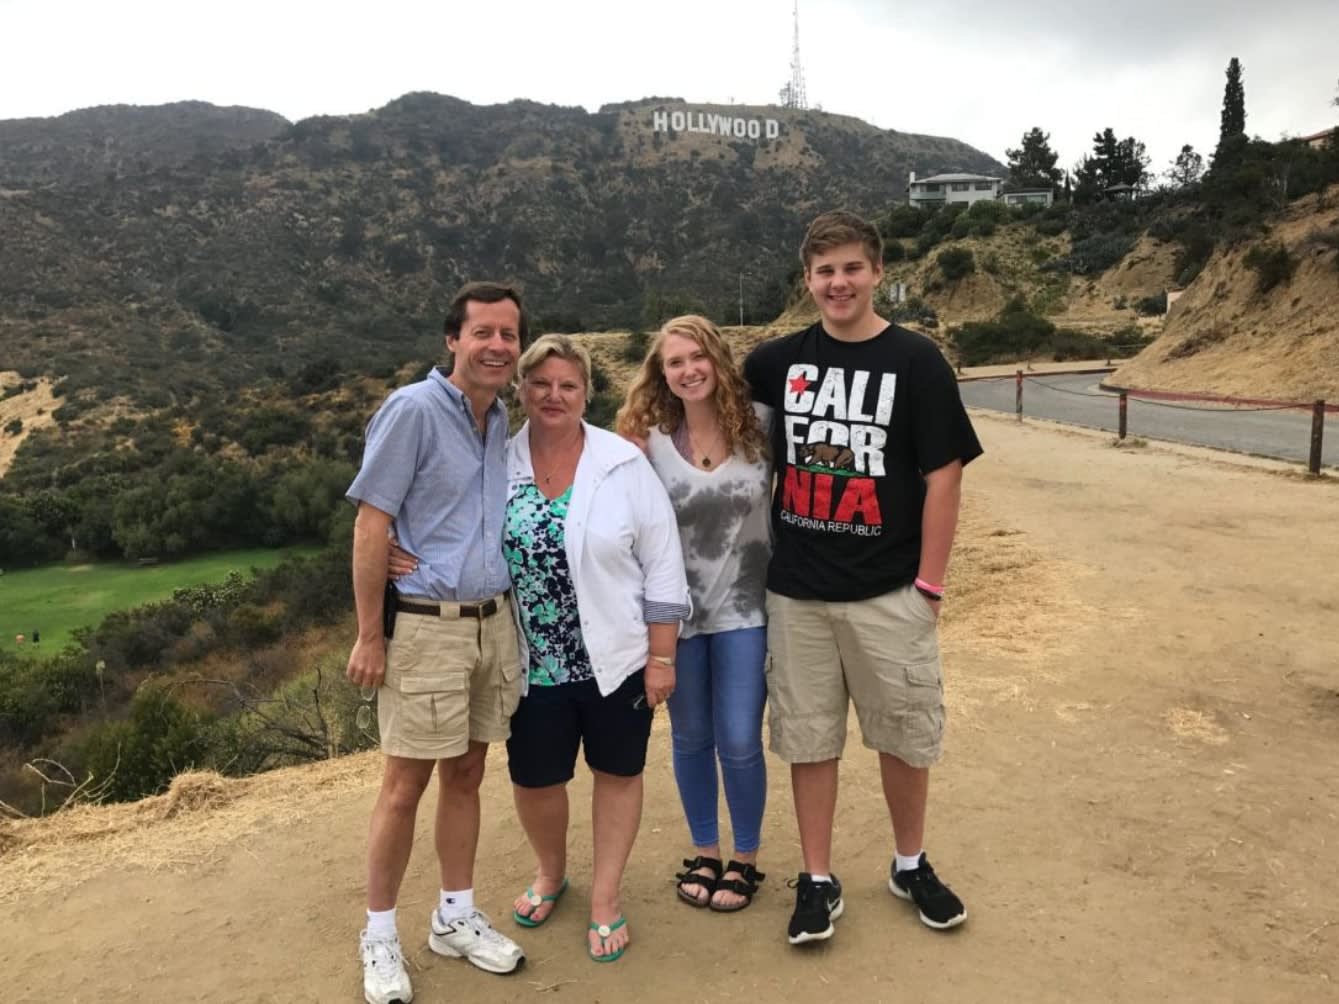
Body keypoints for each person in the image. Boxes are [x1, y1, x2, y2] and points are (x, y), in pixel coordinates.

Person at [393, 334, 690, 962]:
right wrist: (394, 548)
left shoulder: (623, 465)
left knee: (618, 774)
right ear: (521, 390)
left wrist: (662, 658)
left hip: (618, 662)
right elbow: (442, 517)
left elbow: (663, 567)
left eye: (568, 385)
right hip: (528, 664)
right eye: (541, 384)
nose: (554, 395)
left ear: (587, 393)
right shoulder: (496, 463)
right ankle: (552, 872)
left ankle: (605, 897)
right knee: (535, 781)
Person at [742, 210, 983, 945]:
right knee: (809, 740)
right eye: (825, 271)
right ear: (807, 280)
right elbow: (717, 433)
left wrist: (930, 586)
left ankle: (909, 864)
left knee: (904, 737)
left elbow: (943, 475)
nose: (838, 282)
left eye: (851, 267)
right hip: (798, 594)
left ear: (877, 272)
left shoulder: (916, 361)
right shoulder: (774, 363)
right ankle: (816, 878)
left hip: (889, 590)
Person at [345, 281, 530, 1004]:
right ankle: (379, 933)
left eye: (508, 334)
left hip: (492, 623)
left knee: (467, 775)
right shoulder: (413, 409)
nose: (496, 346)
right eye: (482, 332)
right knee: (404, 786)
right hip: (425, 626)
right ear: (452, 339)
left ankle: (454, 917)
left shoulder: (498, 416)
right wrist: (370, 634)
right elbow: (370, 525)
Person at [615, 315, 772, 912]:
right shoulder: (647, 443)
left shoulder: (763, 428)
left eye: (697, 356)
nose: (688, 370)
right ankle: (706, 852)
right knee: (690, 738)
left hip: (746, 610)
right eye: (674, 362)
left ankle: (745, 859)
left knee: (740, 738)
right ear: (661, 373)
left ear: (718, 359)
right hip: (675, 619)